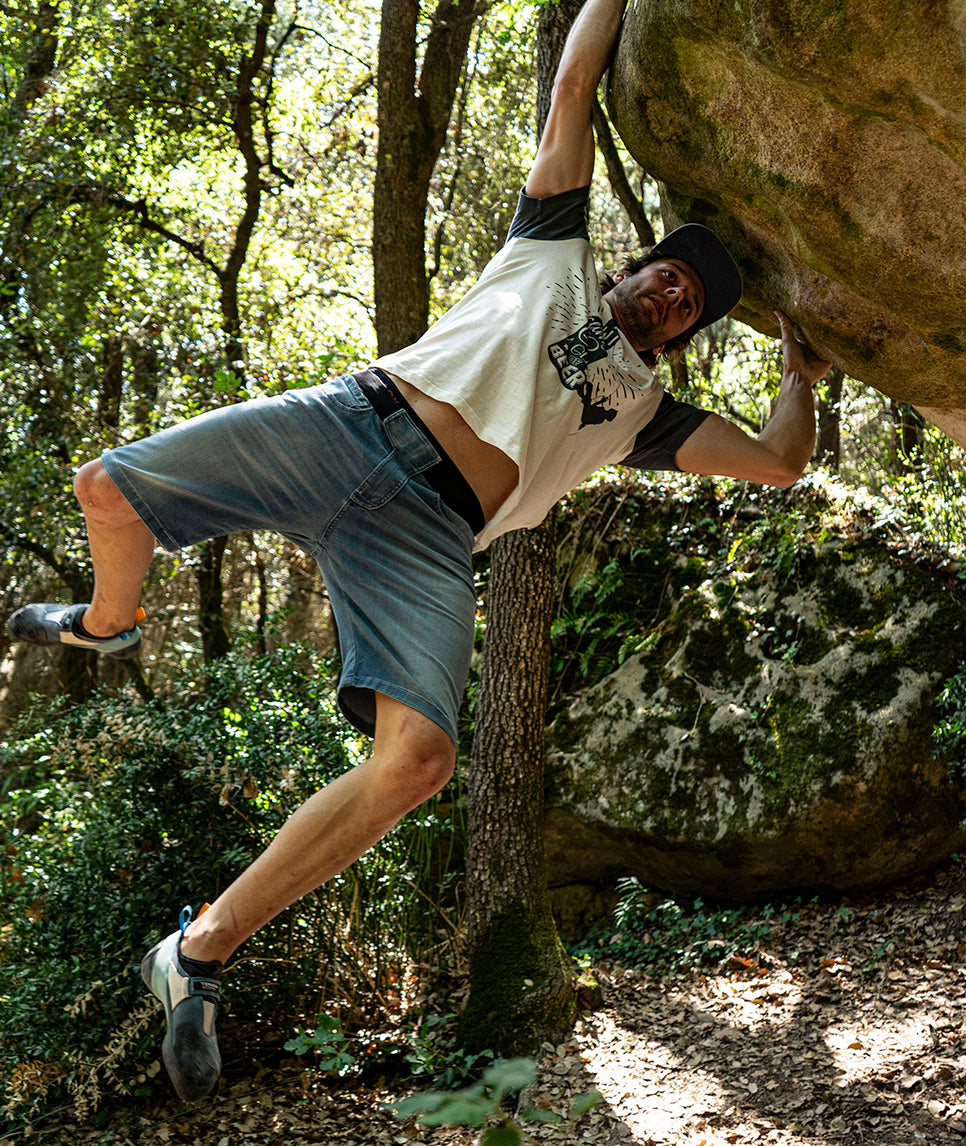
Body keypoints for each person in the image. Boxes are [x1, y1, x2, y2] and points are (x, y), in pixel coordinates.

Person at [6, 0, 831, 1103]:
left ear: (681, 337)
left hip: (428, 535)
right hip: (349, 426)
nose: (675, 296)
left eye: (692, 307)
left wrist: (798, 373)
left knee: (421, 763)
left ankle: (196, 954)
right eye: (670, 275)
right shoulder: (553, 249)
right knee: (105, 491)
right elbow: (575, 86)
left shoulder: (645, 414)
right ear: (634, 267)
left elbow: (778, 461)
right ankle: (108, 623)